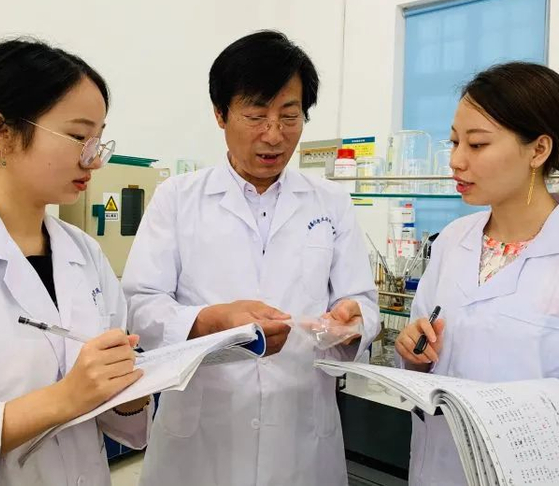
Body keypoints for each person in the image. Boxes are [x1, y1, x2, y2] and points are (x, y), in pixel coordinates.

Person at [122, 30, 381, 486]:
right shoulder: (177, 198)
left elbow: (362, 302)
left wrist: (352, 318)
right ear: (220, 114)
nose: (274, 135)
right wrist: (211, 321)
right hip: (202, 438)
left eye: (290, 117)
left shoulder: (331, 202)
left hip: (301, 436)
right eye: (256, 116)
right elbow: (141, 305)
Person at [0, 39, 151, 486]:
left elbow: (118, 422)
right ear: (0, 131)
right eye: (79, 137)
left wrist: (130, 392)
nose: (94, 159)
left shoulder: (84, 253)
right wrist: (64, 398)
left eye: (98, 141)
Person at [395, 61, 559, 485]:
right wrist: (413, 356)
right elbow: (420, 365)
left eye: (477, 144)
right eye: (454, 142)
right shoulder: (452, 241)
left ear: (538, 150)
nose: (456, 160)